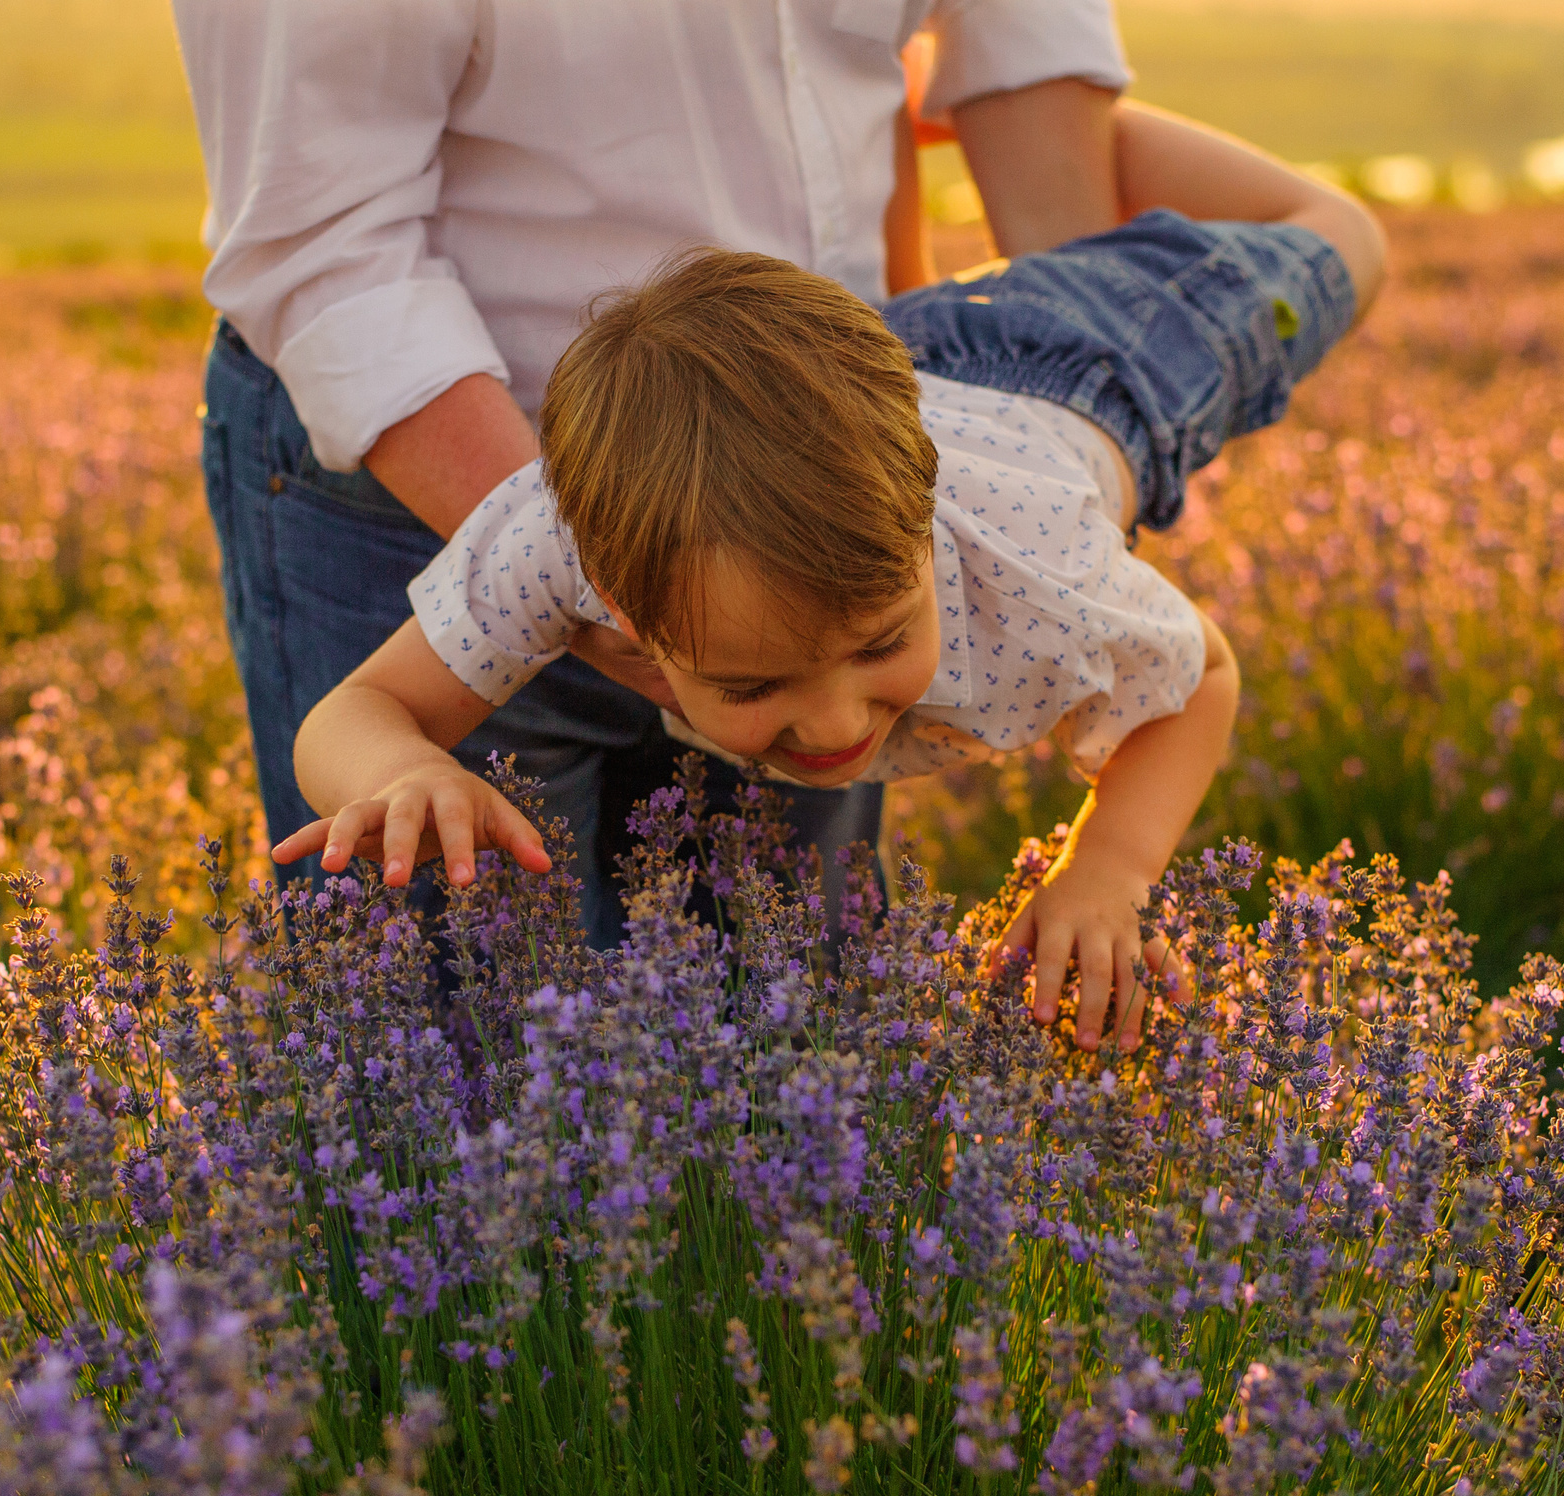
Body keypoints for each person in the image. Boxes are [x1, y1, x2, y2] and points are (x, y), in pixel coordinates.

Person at [273, 103, 1389, 1050]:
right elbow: (355, 710)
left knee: (1341, 242)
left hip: (1095, 366)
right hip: (873, 373)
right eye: (754, 687)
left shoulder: (1038, 583)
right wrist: (395, 772)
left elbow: (1198, 678)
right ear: (616, 607)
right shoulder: (553, 537)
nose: (836, 723)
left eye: (878, 642)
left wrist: (1109, 871)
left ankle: (1061, 115)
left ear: (918, 550)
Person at [169, 1, 1142, 948]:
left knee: (789, 1024)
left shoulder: (833, 638)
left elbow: (1026, 47)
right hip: (425, 461)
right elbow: (322, 237)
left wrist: (1063, 454)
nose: (842, 720)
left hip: (821, 498)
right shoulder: (546, 559)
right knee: (453, 1049)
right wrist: (417, 749)